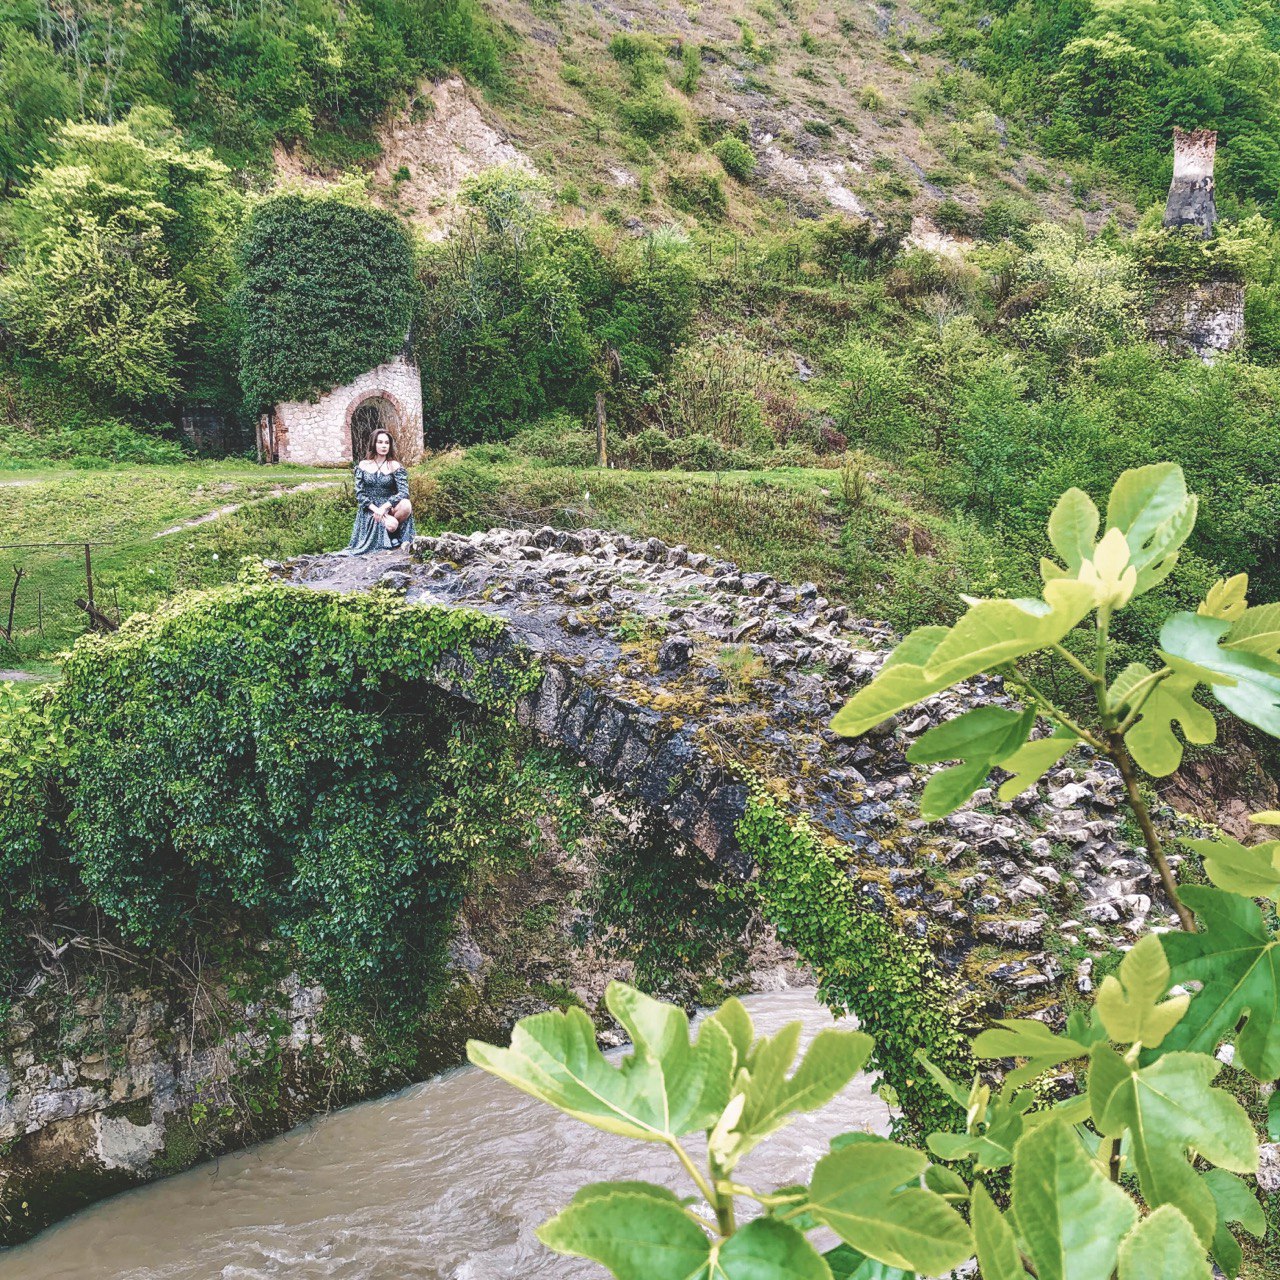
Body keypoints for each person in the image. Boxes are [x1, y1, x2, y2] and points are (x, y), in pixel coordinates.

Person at [342, 429, 415, 554]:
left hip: (388, 507)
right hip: (370, 509)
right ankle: (391, 532)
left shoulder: (395, 466)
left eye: (387, 443)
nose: (384, 446)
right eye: (380, 442)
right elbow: (359, 494)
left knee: (406, 504)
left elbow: (404, 492)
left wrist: (385, 507)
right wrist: (376, 510)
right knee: (391, 525)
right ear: (374, 444)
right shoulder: (363, 465)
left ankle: (393, 533)